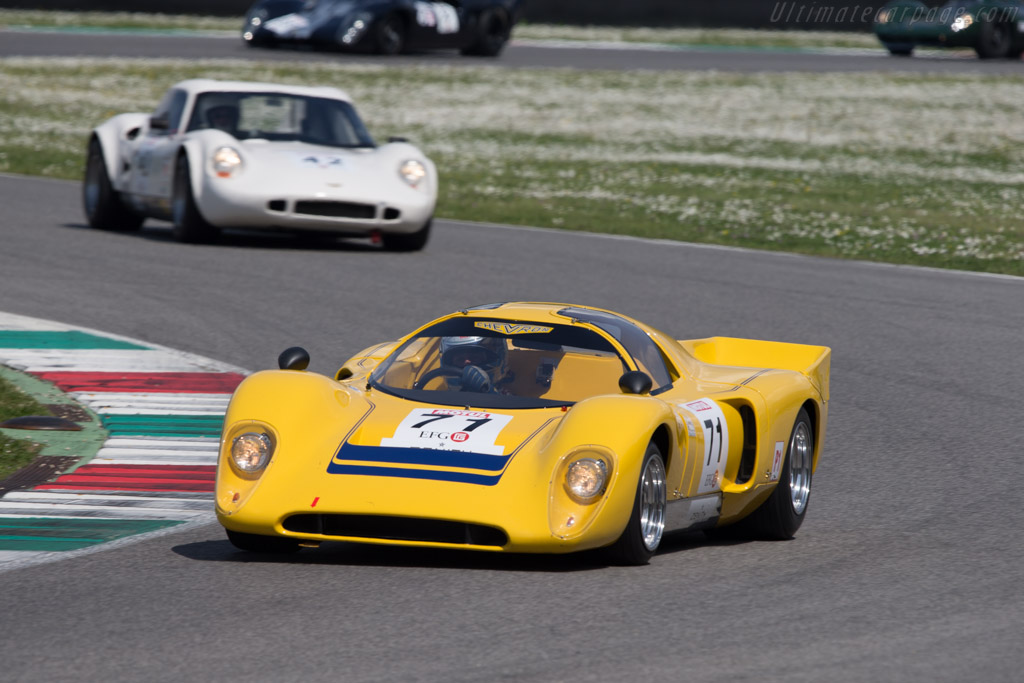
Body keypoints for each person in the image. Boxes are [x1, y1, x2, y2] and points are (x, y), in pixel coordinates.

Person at [439, 336, 509, 393]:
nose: (467, 362)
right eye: (460, 360)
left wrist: (488, 390)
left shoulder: (505, 398)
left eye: (474, 358)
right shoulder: (439, 397)